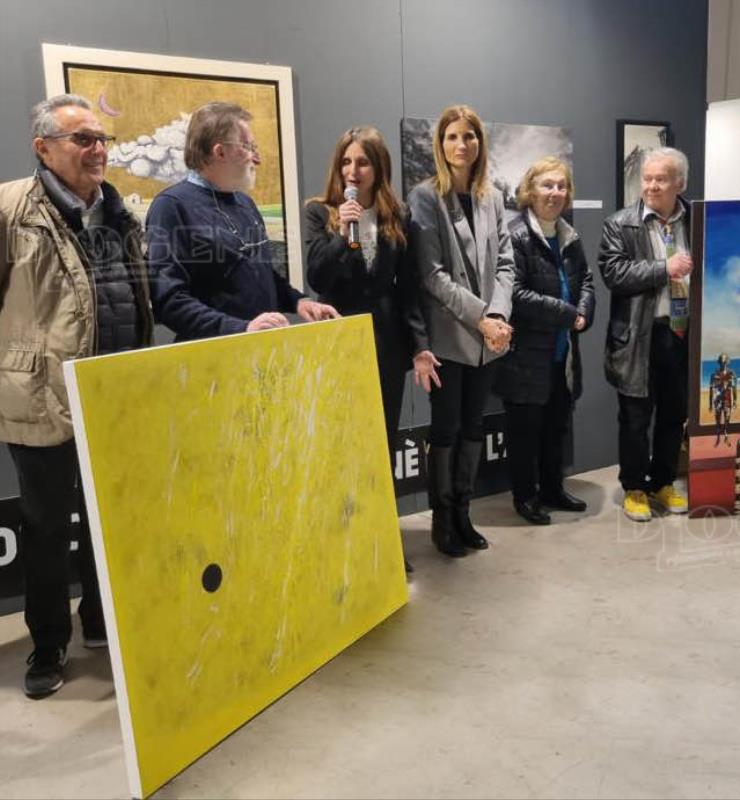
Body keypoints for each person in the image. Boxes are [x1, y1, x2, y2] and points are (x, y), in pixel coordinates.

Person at [0, 94, 154, 697]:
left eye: (101, 139)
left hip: (114, 394)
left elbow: (134, 295)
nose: (97, 150)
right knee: (44, 527)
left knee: (104, 519)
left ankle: (98, 619)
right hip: (41, 395)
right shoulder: (11, 209)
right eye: (82, 139)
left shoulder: (119, 213)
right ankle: (47, 646)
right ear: (43, 148)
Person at [304, 126, 435, 571]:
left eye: (362, 162)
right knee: (343, 445)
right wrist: (344, 232)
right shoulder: (320, 212)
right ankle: (344, 543)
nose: (353, 170)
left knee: (382, 444)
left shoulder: (397, 215)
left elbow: (408, 289)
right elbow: (317, 278)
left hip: (386, 346)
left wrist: (419, 346)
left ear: (379, 168)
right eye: (346, 162)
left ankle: (382, 541)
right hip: (338, 343)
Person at [408, 105, 514, 557]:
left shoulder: (493, 197)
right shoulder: (425, 197)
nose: (461, 144)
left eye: (469, 136)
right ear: (440, 143)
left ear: (479, 143)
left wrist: (500, 317)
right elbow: (432, 275)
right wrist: (483, 318)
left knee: (474, 426)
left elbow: (507, 262)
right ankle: (443, 520)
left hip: (489, 341)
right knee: (447, 430)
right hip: (450, 339)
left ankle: (464, 514)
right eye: (452, 136)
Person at [146, 102, 338, 340]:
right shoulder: (171, 206)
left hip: (260, 349)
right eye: (248, 147)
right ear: (220, 152)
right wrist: (241, 328)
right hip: (213, 355)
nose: (257, 158)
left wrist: (299, 302)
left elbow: (262, 276)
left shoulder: (245, 203)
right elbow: (169, 300)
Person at [492, 157, 595, 525]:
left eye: (561, 186)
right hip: (525, 358)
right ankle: (526, 498)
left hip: (562, 357)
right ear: (530, 191)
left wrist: (584, 311)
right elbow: (515, 293)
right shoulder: (516, 235)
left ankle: (553, 489)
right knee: (524, 435)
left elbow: (586, 281)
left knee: (556, 429)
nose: (555, 192)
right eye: (547, 185)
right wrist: (569, 314)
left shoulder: (569, 235)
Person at [597, 147, 692, 522]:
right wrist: (664, 268)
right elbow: (614, 273)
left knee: (674, 416)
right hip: (640, 336)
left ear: (679, 183)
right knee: (635, 420)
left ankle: (663, 482)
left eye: (660, 179)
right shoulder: (620, 223)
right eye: (647, 179)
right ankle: (635, 487)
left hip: (682, 334)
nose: (651, 186)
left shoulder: (697, 220)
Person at [708, 353, 736, 447]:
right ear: (719, 361)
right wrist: (710, 404)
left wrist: (735, 401)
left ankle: (726, 436)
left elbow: (734, 388)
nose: (723, 362)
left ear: (727, 361)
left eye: (725, 360)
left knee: (727, 419)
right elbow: (711, 389)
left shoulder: (731, 373)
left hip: (727, 399)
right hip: (718, 400)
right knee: (718, 420)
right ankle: (718, 437)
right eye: (722, 360)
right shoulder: (714, 374)